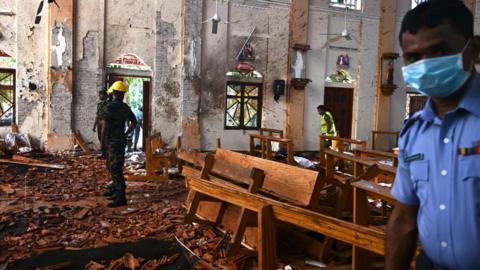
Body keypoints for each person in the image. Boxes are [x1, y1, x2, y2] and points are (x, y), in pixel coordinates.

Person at [386, 1, 480, 269]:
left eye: (439, 50)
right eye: (414, 57)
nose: (426, 65)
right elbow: (404, 218)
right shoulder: (414, 131)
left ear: (473, 49)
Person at [101, 81, 137, 207]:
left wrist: (102, 142)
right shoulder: (125, 107)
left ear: (114, 93)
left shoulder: (109, 107)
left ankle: (121, 197)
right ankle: (115, 189)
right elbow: (134, 122)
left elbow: (105, 126)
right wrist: (126, 133)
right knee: (113, 166)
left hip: (111, 141)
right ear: (122, 94)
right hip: (120, 141)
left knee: (114, 168)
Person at [93, 90, 108, 158]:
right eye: (99, 95)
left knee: (104, 138)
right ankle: (103, 153)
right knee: (100, 137)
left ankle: (107, 153)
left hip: (105, 123)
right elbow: (97, 115)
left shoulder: (108, 104)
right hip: (99, 122)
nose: (99, 96)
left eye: (100, 95)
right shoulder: (99, 105)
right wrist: (94, 125)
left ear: (105, 95)